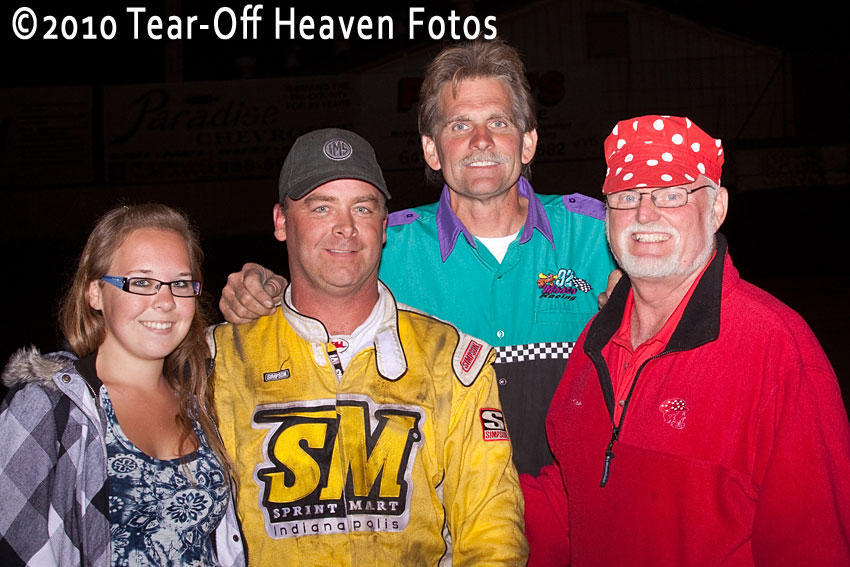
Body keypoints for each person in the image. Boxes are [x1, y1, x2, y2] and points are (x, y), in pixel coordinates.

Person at [219, 39, 616, 475]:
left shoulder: (600, 235)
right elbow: (318, 282)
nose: (481, 140)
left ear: (527, 143)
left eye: (498, 122)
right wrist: (268, 288)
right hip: (441, 512)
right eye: (459, 125)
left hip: (574, 506)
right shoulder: (385, 246)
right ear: (431, 149)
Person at [521, 115, 850, 566]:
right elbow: (571, 501)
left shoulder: (777, 350)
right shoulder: (595, 343)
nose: (644, 213)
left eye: (671, 194)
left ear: (717, 209)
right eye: (626, 196)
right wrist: (465, 501)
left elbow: (813, 544)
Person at [208, 127, 527, 565]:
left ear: (383, 225)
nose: (345, 227)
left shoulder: (451, 360)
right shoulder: (218, 362)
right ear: (281, 221)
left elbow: (493, 536)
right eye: (321, 207)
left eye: (363, 208)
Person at [0, 204, 245, 567]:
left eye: (180, 283)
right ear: (95, 293)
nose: (166, 301)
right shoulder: (47, 407)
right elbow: (14, 547)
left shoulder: (202, 399)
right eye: (141, 282)